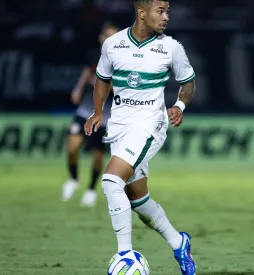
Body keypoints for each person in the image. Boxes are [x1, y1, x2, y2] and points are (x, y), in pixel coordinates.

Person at [84, 1, 196, 274]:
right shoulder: (113, 44)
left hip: (150, 125)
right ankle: (178, 242)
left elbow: (188, 83)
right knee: (138, 201)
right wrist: (98, 111)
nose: (166, 17)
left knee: (111, 181)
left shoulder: (171, 48)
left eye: (168, 11)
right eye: (161, 11)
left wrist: (179, 107)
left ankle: (125, 257)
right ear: (142, 13)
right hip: (120, 127)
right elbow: (102, 78)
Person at [61, 22, 120, 207]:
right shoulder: (94, 56)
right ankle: (73, 178)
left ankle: (91, 190)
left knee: (97, 156)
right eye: (106, 36)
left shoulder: (123, 61)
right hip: (85, 110)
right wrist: (78, 88)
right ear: (101, 38)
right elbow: (88, 72)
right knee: (72, 147)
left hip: (105, 116)